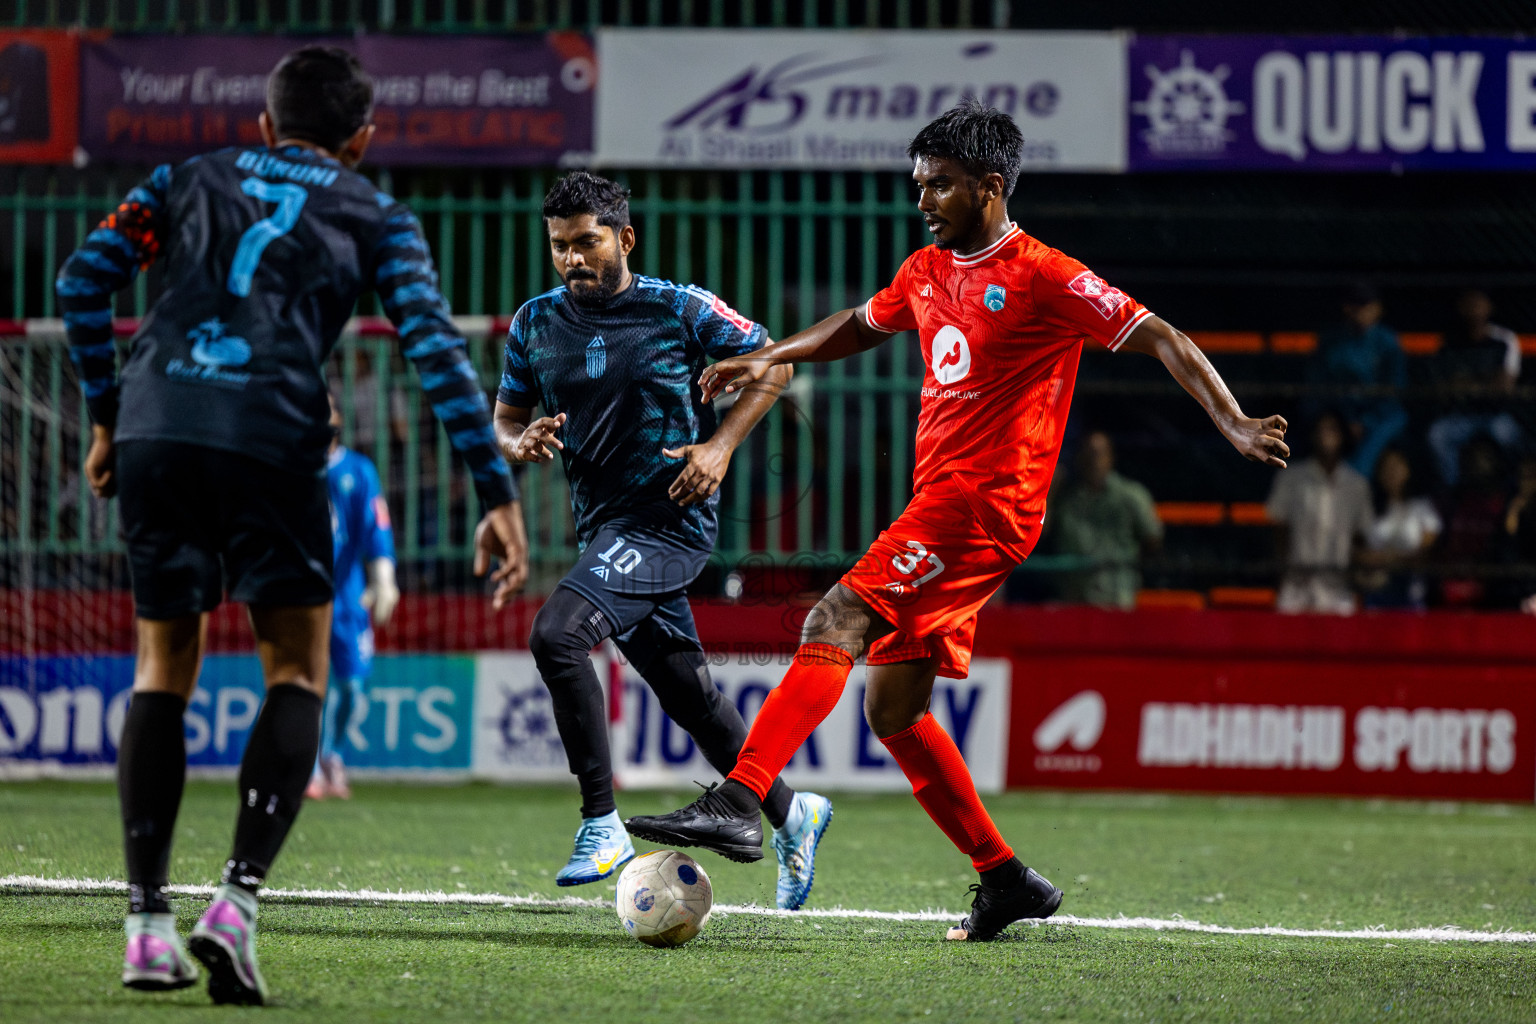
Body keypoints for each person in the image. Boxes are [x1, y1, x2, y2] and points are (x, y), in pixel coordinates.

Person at [624, 99, 1289, 942]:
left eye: (939, 185)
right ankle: (1005, 878)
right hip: (941, 502)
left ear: (990, 185)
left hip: (983, 504)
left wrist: (1230, 419)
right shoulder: (927, 270)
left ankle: (742, 797)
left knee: (836, 615)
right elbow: (858, 326)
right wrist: (772, 353)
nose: (924, 200)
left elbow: (1159, 335)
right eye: (918, 185)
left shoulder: (1047, 275)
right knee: (894, 712)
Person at [56, 47, 525, 1005]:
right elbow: (434, 351)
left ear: (266, 127)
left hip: (157, 427)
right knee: (298, 670)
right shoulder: (373, 211)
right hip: (272, 439)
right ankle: (233, 904)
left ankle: (146, 926)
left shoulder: (187, 176)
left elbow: (80, 281)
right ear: (362, 141)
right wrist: (496, 490)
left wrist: (106, 416)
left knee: (162, 669)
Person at [492, 172, 832, 911]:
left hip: (668, 523)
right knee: (694, 700)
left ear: (624, 238)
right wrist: (521, 441)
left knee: (556, 635)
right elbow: (506, 416)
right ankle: (791, 811)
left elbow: (774, 360)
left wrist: (721, 447)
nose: (573, 259)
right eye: (560, 246)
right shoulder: (534, 323)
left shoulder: (677, 308)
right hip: (604, 530)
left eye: (587, 242)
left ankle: (600, 823)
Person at [306, 395, 398, 800]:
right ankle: (307, 766)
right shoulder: (293, 467)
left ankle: (332, 753)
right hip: (301, 593)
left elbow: (375, 526)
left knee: (351, 687)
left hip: (346, 596)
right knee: (305, 684)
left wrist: (383, 578)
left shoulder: (358, 471)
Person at [1266, 411, 1373, 615]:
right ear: (1312, 435)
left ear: (1342, 435)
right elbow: (1278, 529)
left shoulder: (1357, 486)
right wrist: (1283, 573)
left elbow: (1361, 536)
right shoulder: (1291, 478)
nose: (1326, 435)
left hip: (1338, 590)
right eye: (1321, 429)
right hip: (1296, 587)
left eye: (1332, 429)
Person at [1049, 430, 1162, 608]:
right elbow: (1041, 536)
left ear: (1111, 456)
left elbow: (1153, 539)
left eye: (1098, 453)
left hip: (1116, 599)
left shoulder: (1131, 495)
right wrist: (1050, 493)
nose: (1093, 461)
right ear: (1079, 458)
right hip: (1074, 600)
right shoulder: (1065, 499)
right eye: (1088, 454)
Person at [1426, 289, 1523, 488]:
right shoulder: (1451, 341)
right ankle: (1452, 493)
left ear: (1489, 307)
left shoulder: (1504, 339)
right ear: (1461, 308)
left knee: (1509, 437)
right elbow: (1445, 385)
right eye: (1469, 305)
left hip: (1495, 413)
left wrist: (1468, 383)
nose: (1474, 311)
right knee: (1437, 435)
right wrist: (1483, 382)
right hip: (1461, 414)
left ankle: (1510, 490)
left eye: (1479, 304)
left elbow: (1505, 384)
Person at [1307, 284, 1407, 478]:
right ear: (1346, 308)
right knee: (1320, 429)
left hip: (1380, 416)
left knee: (1390, 425)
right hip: (1340, 413)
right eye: (1356, 306)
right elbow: (1320, 385)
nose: (1361, 312)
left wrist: (1365, 421)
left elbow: (1394, 390)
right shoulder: (1332, 341)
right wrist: (1347, 418)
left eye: (1367, 306)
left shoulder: (1388, 342)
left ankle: (1354, 478)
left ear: (1378, 308)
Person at [1357, 448, 1440, 610]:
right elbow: (1358, 548)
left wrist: (1389, 560)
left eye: (1397, 467)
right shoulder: (1370, 509)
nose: (1392, 473)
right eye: (1387, 468)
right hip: (1376, 595)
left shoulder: (1422, 507)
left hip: (1411, 596)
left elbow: (1427, 549)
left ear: (1408, 470)